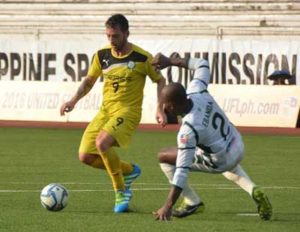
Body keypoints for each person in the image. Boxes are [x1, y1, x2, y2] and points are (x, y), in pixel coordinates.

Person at [60, 14, 166, 213]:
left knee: (102, 143)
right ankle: (129, 170)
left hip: (128, 111)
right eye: (108, 36)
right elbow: (89, 81)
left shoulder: (142, 57)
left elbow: (160, 81)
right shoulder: (102, 55)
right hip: (106, 111)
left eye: (115, 36)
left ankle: (121, 191)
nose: (111, 40)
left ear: (126, 33)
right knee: (85, 156)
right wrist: (73, 100)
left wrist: (160, 107)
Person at [151, 53, 272, 221]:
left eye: (166, 105)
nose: (165, 109)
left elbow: (182, 171)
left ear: (172, 106)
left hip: (222, 159)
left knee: (164, 156)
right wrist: (171, 61)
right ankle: (253, 190)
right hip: (237, 143)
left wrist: (167, 205)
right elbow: (202, 64)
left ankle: (192, 202)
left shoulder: (188, 130)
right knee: (219, 154)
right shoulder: (197, 89)